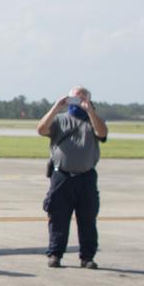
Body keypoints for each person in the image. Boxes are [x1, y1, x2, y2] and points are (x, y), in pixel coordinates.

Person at [37, 86, 108, 268]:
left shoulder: (93, 121)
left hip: (86, 177)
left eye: (82, 98)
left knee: (88, 219)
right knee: (58, 217)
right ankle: (55, 254)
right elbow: (41, 129)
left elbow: (102, 133)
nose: (78, 101)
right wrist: (56, 107)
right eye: (75, 98)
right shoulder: (60, 120)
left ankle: (87, 257)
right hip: (62, 175)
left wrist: (89, 110)